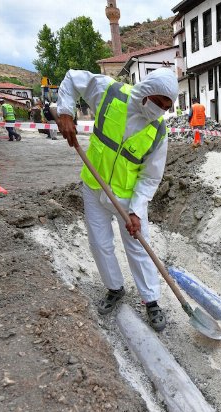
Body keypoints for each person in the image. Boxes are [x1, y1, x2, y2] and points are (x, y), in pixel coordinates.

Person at [56, 68, 177, 331]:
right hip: (93, 184)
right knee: (100, 243)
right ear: (146, 92)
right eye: (158, 103)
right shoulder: (110, 93)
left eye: (167, 108)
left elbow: (150, 177)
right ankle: (114, 288)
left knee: (138, 247)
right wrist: (65, 112)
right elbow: (71, 78)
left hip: (127, 196)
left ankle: (151, 300)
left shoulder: (158, 132)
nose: (160, 111)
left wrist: (135, 210)